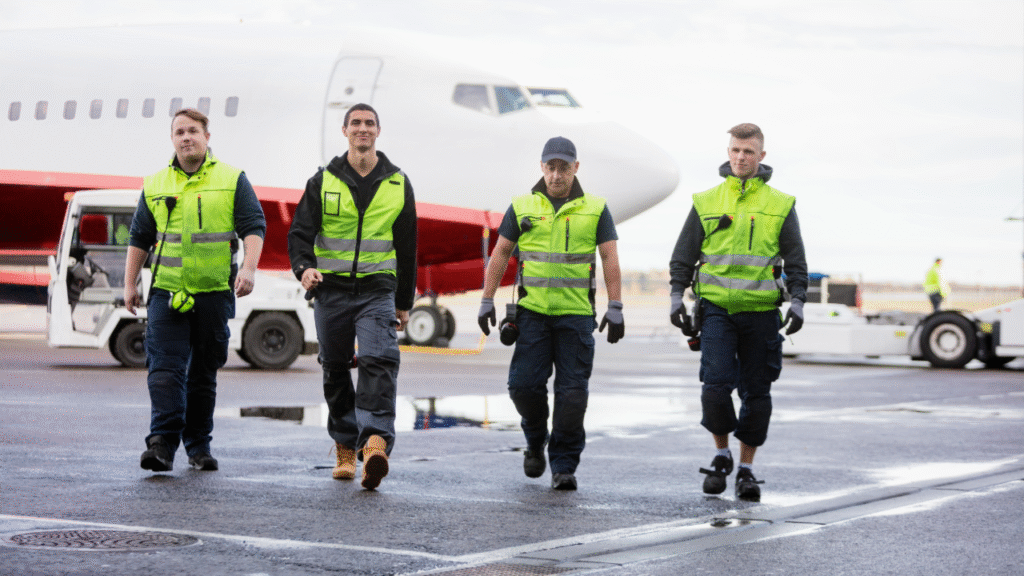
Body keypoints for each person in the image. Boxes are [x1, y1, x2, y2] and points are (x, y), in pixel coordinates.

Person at [668, 123, 807, 502]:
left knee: (756, 394)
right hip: (716, 311)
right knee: (715, 389)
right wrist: (676, 297)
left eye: (748, 151)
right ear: (728, 152)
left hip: (761, 313)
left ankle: (746, 469)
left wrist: (797, 301)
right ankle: (721, 455)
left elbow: (796, 261)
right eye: (735, 150)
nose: (740, 157)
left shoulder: (781, 204)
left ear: (761, 156)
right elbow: (683, 256)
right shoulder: (706, 201)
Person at [124, 108, 266, 473]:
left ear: (206, 137)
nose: (186, 137)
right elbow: (139, 237)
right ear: (172, 140)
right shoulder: (155, 184)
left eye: (193, 131)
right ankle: (161, 445)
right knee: (164, 370)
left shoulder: (232, 179)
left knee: (203, 375)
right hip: (167, 293)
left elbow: (253, 226)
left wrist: (249, 268)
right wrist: (129, 283)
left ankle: (199, 446)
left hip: (214, 293)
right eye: (179, 132)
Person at [478, 136, 623, 491]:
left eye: (564, 168)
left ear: (576, 168)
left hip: (576, 316)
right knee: (523, 387)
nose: (557, 175)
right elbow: (500, 253)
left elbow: (609, 257)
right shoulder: (522, 206)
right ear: (542, 167)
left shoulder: (596, 209)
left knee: (572, 396)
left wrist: (616, 305)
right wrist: (486, 299)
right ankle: (534, 439)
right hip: (532, 315)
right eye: (551, 167)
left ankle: (563, 465)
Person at [287, 103, 417, 491]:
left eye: (370, 123)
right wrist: (303, 268)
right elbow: (300, 233)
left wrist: (404, 302)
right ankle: (345, 447)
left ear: (378, 131)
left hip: (377, 290)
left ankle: (375, 442)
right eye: (356, 123)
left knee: (380, 359)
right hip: (331, 290)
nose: (363, 128)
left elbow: (407, 247)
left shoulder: (398, 183)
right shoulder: (322, 181)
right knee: (335, 367)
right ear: (345, 131)